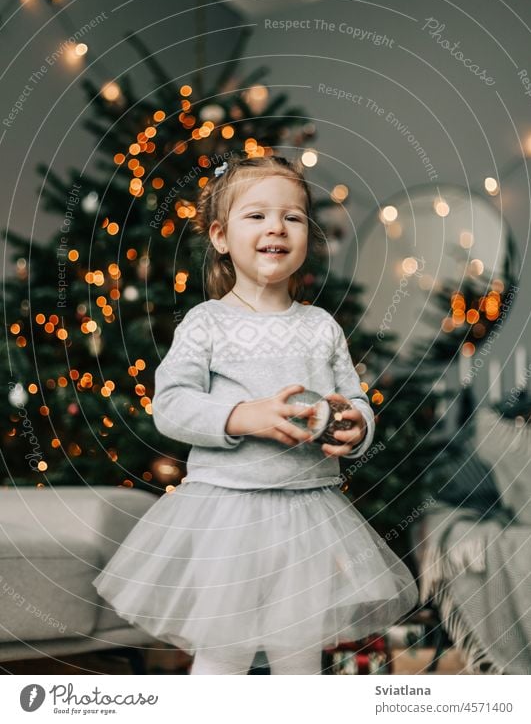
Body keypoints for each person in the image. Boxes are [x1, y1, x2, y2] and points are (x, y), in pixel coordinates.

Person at [92, 153, 419, 675]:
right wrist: (242, 416)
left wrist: (357, 425)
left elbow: (351, 399)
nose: (276, 227)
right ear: (221, 236)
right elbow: (171, 405)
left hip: (308, 512)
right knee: (224, 656)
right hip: (228, 513)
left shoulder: (320, 327)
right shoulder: (207, 322)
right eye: (257, 215)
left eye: (292, 217)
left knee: (299, 658)